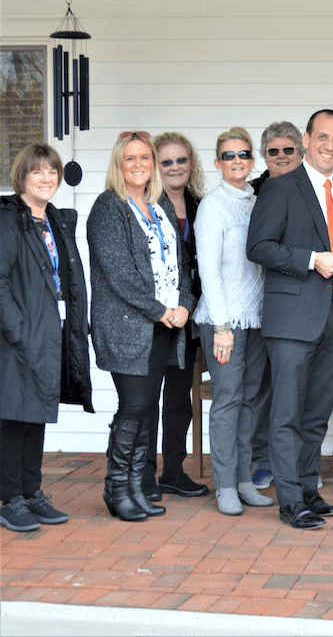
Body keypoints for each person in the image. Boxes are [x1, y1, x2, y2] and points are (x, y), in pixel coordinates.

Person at [246, 109, 333, 530]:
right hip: (293, 318)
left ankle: (309, 487)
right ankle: (290, 499)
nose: (330, 145)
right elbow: (258, 246)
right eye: (323, 136)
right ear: (307, 140)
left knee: (316, 412)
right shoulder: (281, 188)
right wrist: (311, 260)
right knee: (287, 412)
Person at [88, 131, 194, 522]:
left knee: (147, 406)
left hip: (165, 325)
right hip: (129, 326)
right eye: (129, 159)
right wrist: (159, 309)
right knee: (133, 407)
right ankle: (117, 489)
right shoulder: (108, 207)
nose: (138, 165)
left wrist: (183, 304)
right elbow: (119, 273)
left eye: (144, 159)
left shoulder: (158, 205)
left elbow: (181, 264)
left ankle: (137, 486)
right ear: (119, 164)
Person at [0, 144, 93, 532]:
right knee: (12, 418)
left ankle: (31, 492)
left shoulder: (55, 220)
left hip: (50, 334)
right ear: (22, 176)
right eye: (37, 172)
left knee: (36, 414)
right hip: (18, 338)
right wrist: (18, 330)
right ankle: (9, 500)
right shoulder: (8, 221)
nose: (46, 179)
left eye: (52, 172)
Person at [193, 127, 272, 515]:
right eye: (228, 155)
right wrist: (222, 327)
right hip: (223, 321)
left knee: (250, 402)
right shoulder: (213, 205)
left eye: (243, 154)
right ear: (217, 162)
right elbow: (208, 270)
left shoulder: (258, 202)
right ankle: (224, 484)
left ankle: (244, 480)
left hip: (256, 319)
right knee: (226, 402)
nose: (237, 161)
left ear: (252, 161)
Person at [148, 132, 208, 499]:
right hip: (154, 318)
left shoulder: (199, 205)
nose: (174, 167)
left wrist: (189, 305)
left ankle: (172, 470)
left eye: (181, 160)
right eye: (166, 161)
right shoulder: (145, 205)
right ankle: (139, 473)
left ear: (191, 163)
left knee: (178, 399)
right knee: (144, 400)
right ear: (156, 166)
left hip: (189, 318)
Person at [249, 121, 305, 491]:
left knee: (292, 391)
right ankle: (259, 461)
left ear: (301, 153)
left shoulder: (315, 190)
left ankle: (292, 463)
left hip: (296, 309)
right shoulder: (249, 192)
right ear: (263, 156)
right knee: (260, 390)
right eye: (273, 151)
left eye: (289, 150)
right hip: (252, 307)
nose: (282, 156)